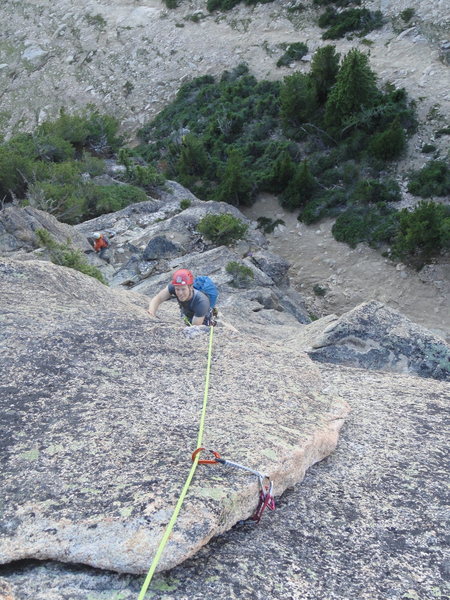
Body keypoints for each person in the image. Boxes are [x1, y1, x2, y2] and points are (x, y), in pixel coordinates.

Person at [148, 268, 214, 326]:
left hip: (201, 320)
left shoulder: (201, 302)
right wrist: (151, 313)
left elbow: (194, 329)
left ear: (190, 287)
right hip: (188, 314)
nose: (180, 293)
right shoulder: (174, 287)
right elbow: (157, 299)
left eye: (183, 289)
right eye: (177, 289)